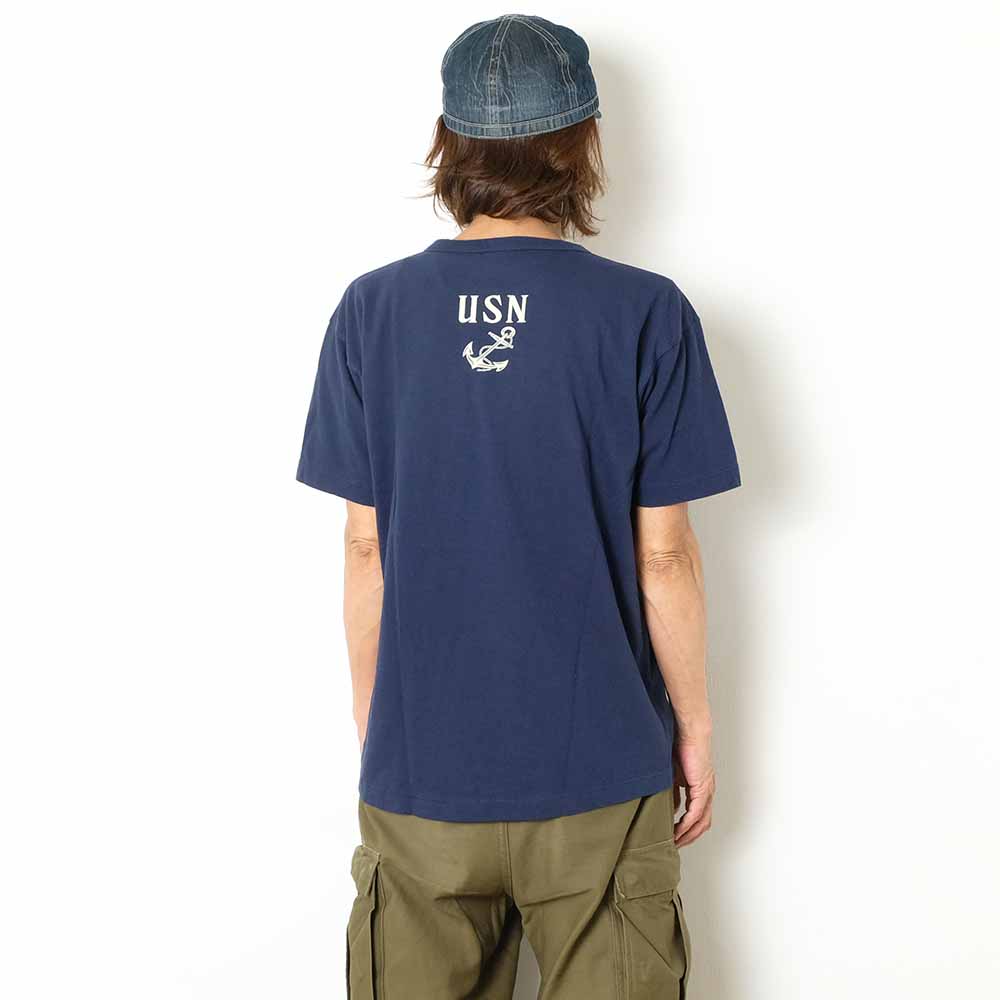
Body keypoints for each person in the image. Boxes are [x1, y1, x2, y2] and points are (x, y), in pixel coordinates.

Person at [297, 15, 739, 999]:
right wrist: (697, 727)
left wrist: (382, 729)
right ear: (582, 142)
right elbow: (663, 555)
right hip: (601, 774)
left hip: (423, 777)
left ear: (447, 141)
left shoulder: (372, 310)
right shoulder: (646, 312)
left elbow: (366, 547)